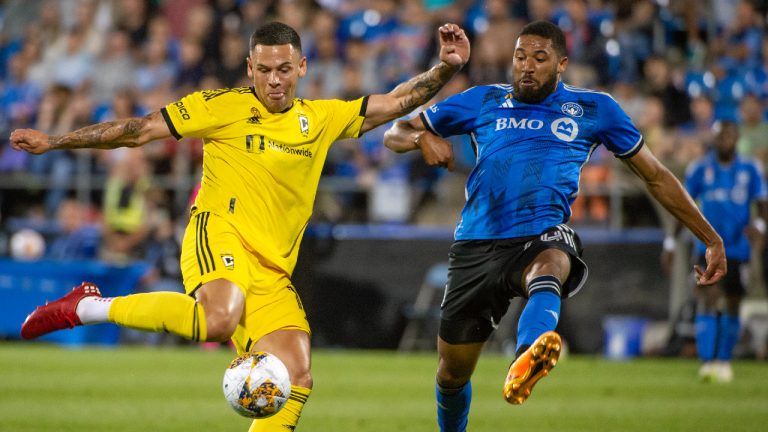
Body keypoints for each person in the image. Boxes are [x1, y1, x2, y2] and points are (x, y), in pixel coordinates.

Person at [11, 21, 470, 432]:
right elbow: (138, 128)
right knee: (218, 319)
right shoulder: (219, 106)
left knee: (295, 374)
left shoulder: (323, 117)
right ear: (250, 68)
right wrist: (55, 141)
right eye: (265, 69)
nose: (275, 80)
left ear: (302, 67)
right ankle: (88, 308)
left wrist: (445, 67)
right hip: (219, 231)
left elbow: (398, 101)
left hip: (272, 268)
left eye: (284, 69)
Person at [382, 20, 726, 432]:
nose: (527, 66)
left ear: (561, 64)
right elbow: (396, 131)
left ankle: (529, 353)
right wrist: (422, 140)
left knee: (553, 262)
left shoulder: (595, 109)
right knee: (451, 376)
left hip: (539, 232)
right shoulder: (484, 100)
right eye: (520, 57)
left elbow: (655, 176)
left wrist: (709, 237)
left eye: (539, 58)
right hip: (476, 242)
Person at [663, 120, 768, 382]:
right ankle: (707, 361)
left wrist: (759, 225)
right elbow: (683, 206)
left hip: (738, 247)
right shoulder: (700, 169)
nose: (725, 141)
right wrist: (671, 242)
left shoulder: (750, 169)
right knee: (707, 297)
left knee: (733, 302)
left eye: (730, 136)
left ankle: (723, 361)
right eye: (721, 137)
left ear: (737, 138)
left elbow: (762, 205)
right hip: (706, 246)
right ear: (714, 139)